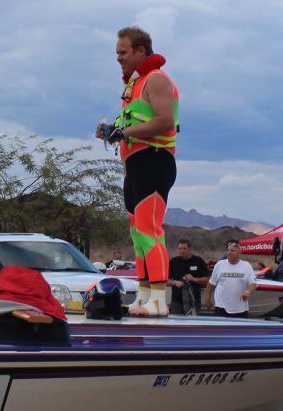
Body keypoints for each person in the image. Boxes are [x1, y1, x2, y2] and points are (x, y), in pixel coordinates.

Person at [96, 26, 180, 317]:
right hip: (134, 167)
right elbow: (132, 128)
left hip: (154, 162)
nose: (118, 58)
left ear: (141, 51)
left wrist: (123, 132)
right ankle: (143, 295)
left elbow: (165, 121)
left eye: (123, 52)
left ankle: (159, 298)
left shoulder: (156, 79)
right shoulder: (134, 85)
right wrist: (112, 132)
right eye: (117, 53)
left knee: (150, 230)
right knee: (137, 234)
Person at [204, 241, 256, 318]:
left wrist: (247, 292)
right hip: (221, 307)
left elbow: (253, 283)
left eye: (232, 250)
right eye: (228, 250)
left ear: (239, 252)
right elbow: (211, 283)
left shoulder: (246, 265)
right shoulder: (219, 264)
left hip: (240, 309)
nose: (229, 253)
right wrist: (207, 299)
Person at [168, 239, 209, 315]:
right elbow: (165, 281)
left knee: (193, 322)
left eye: (184, 248)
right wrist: (175, 282)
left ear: (189, 249)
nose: (182, 251)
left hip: (194, 302)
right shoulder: (173, 262)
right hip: (177, 302)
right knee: (175, 322)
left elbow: (207, 280)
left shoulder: (198, 261)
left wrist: (194, 279)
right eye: (180, 248)